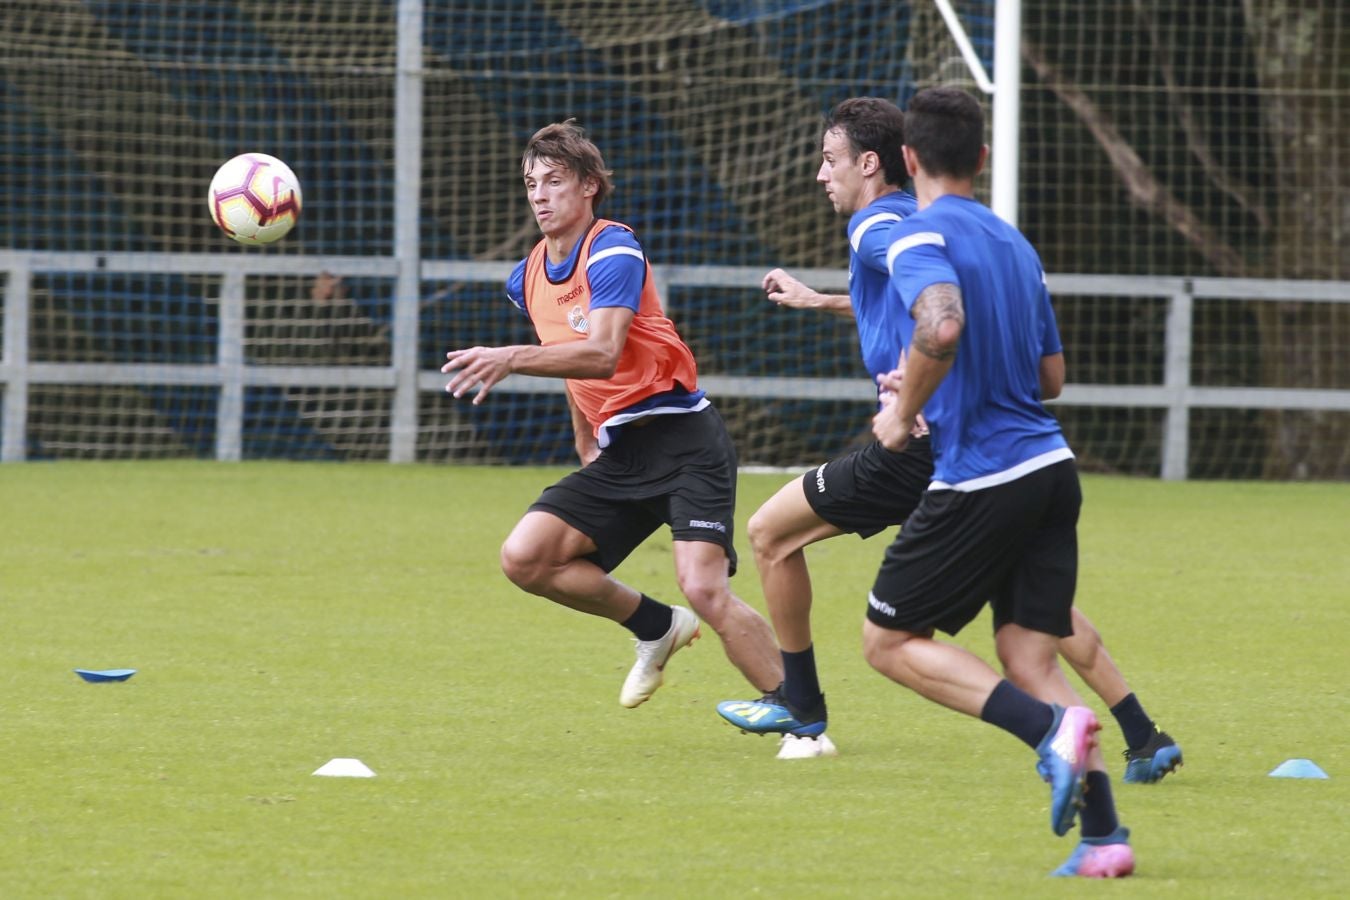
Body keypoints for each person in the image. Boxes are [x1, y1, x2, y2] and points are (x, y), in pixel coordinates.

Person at [717, 98, 1182, 784]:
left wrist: (904, 407)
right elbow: (929, 289)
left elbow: (937, 310)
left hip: (919, 451)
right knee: (1031, 611)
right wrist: (823, 300)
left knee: (768, 534)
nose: (821, 174)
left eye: (829, 159)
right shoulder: (939, 227)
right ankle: (1141, 734)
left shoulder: (875, 223)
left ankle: (801, 706)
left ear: (876, 163)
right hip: (1006, 453)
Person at [865, 85, 1134, 876]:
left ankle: (1044, 733)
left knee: (887, 641)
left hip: (985, 474)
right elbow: (1052, 376)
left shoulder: (916, 236)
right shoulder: (1017, 246)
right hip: (1052, 468)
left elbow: (940, 324)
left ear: (908, 159)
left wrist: (901, 409)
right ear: (982, 157)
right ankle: (1105, 838)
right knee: (1029, 656)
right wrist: (941, 381)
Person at [441, 120, 782, 710]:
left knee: (704, 588)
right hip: (620, 454)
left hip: (683, 443)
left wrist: (511, 358)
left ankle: (802, 714)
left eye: (554, 181)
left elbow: (599, 353)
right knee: (526, 558)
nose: (540, 195)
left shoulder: (614, 249)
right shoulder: (525, 278)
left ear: (590, 187)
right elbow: (572, 368)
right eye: (531, 183)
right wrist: (585, 441)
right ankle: (655, 626)